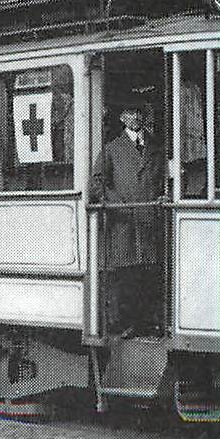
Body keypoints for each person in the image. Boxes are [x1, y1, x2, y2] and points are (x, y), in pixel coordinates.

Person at [90, 102, 166, 335]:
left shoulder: (156, 147)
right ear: (122, 117)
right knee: (128, 273)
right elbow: (97, 183)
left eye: (140, 111)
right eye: (131, 112)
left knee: (149, 271)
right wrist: (120, 206)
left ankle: (149, 322)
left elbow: (164, 178)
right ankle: (129, 323)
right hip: (124, 222)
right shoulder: (112, 149)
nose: (136, 116)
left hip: (151, 219)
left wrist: (164, 195)